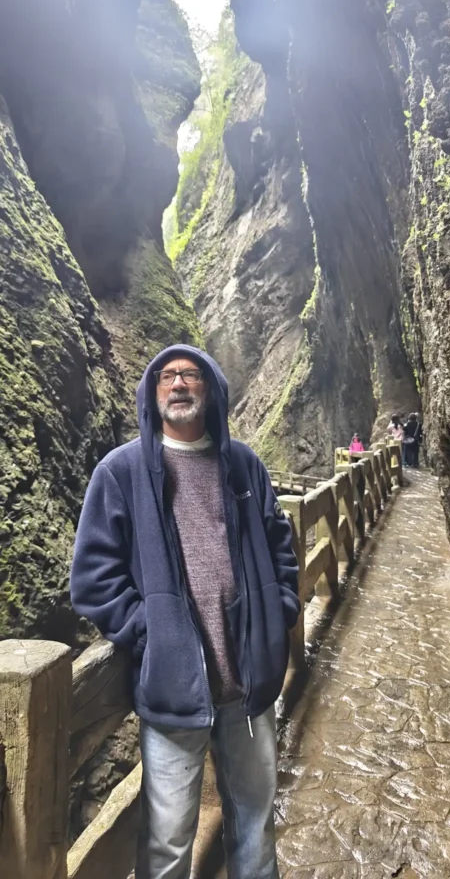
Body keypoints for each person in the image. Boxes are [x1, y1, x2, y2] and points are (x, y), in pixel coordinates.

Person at [70, 345, 300, 879]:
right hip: (173, 694)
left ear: (210, 389)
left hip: (248, 688)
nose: (178, 384)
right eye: (167, 376)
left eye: (191, 375)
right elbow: (94, 575)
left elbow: (279, 542)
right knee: (169, 839)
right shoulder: (121, 472)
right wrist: (148, 634)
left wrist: (278, 609)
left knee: (256, 823)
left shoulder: (243, 464)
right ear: (152, 395)